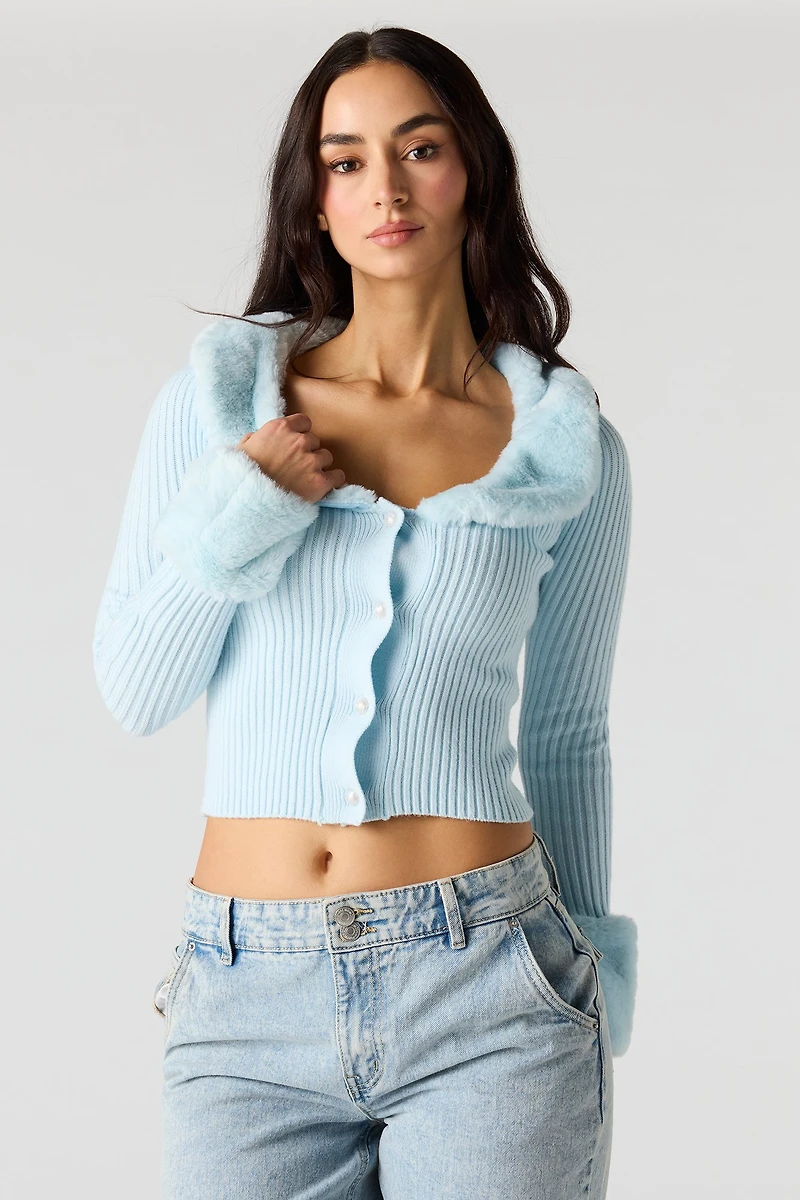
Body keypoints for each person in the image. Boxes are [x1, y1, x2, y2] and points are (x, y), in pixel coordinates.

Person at [93, 25, 637, 1200]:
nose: (384, 188)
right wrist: (245, 505)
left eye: (419, 148)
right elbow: (133, 687)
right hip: (245, 996)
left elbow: (566, 734)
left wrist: (595, 962)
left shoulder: (566, 447)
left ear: (472, 170)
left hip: (490, 987)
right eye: (345, 161)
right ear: (315, 201)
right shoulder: (221, 411)